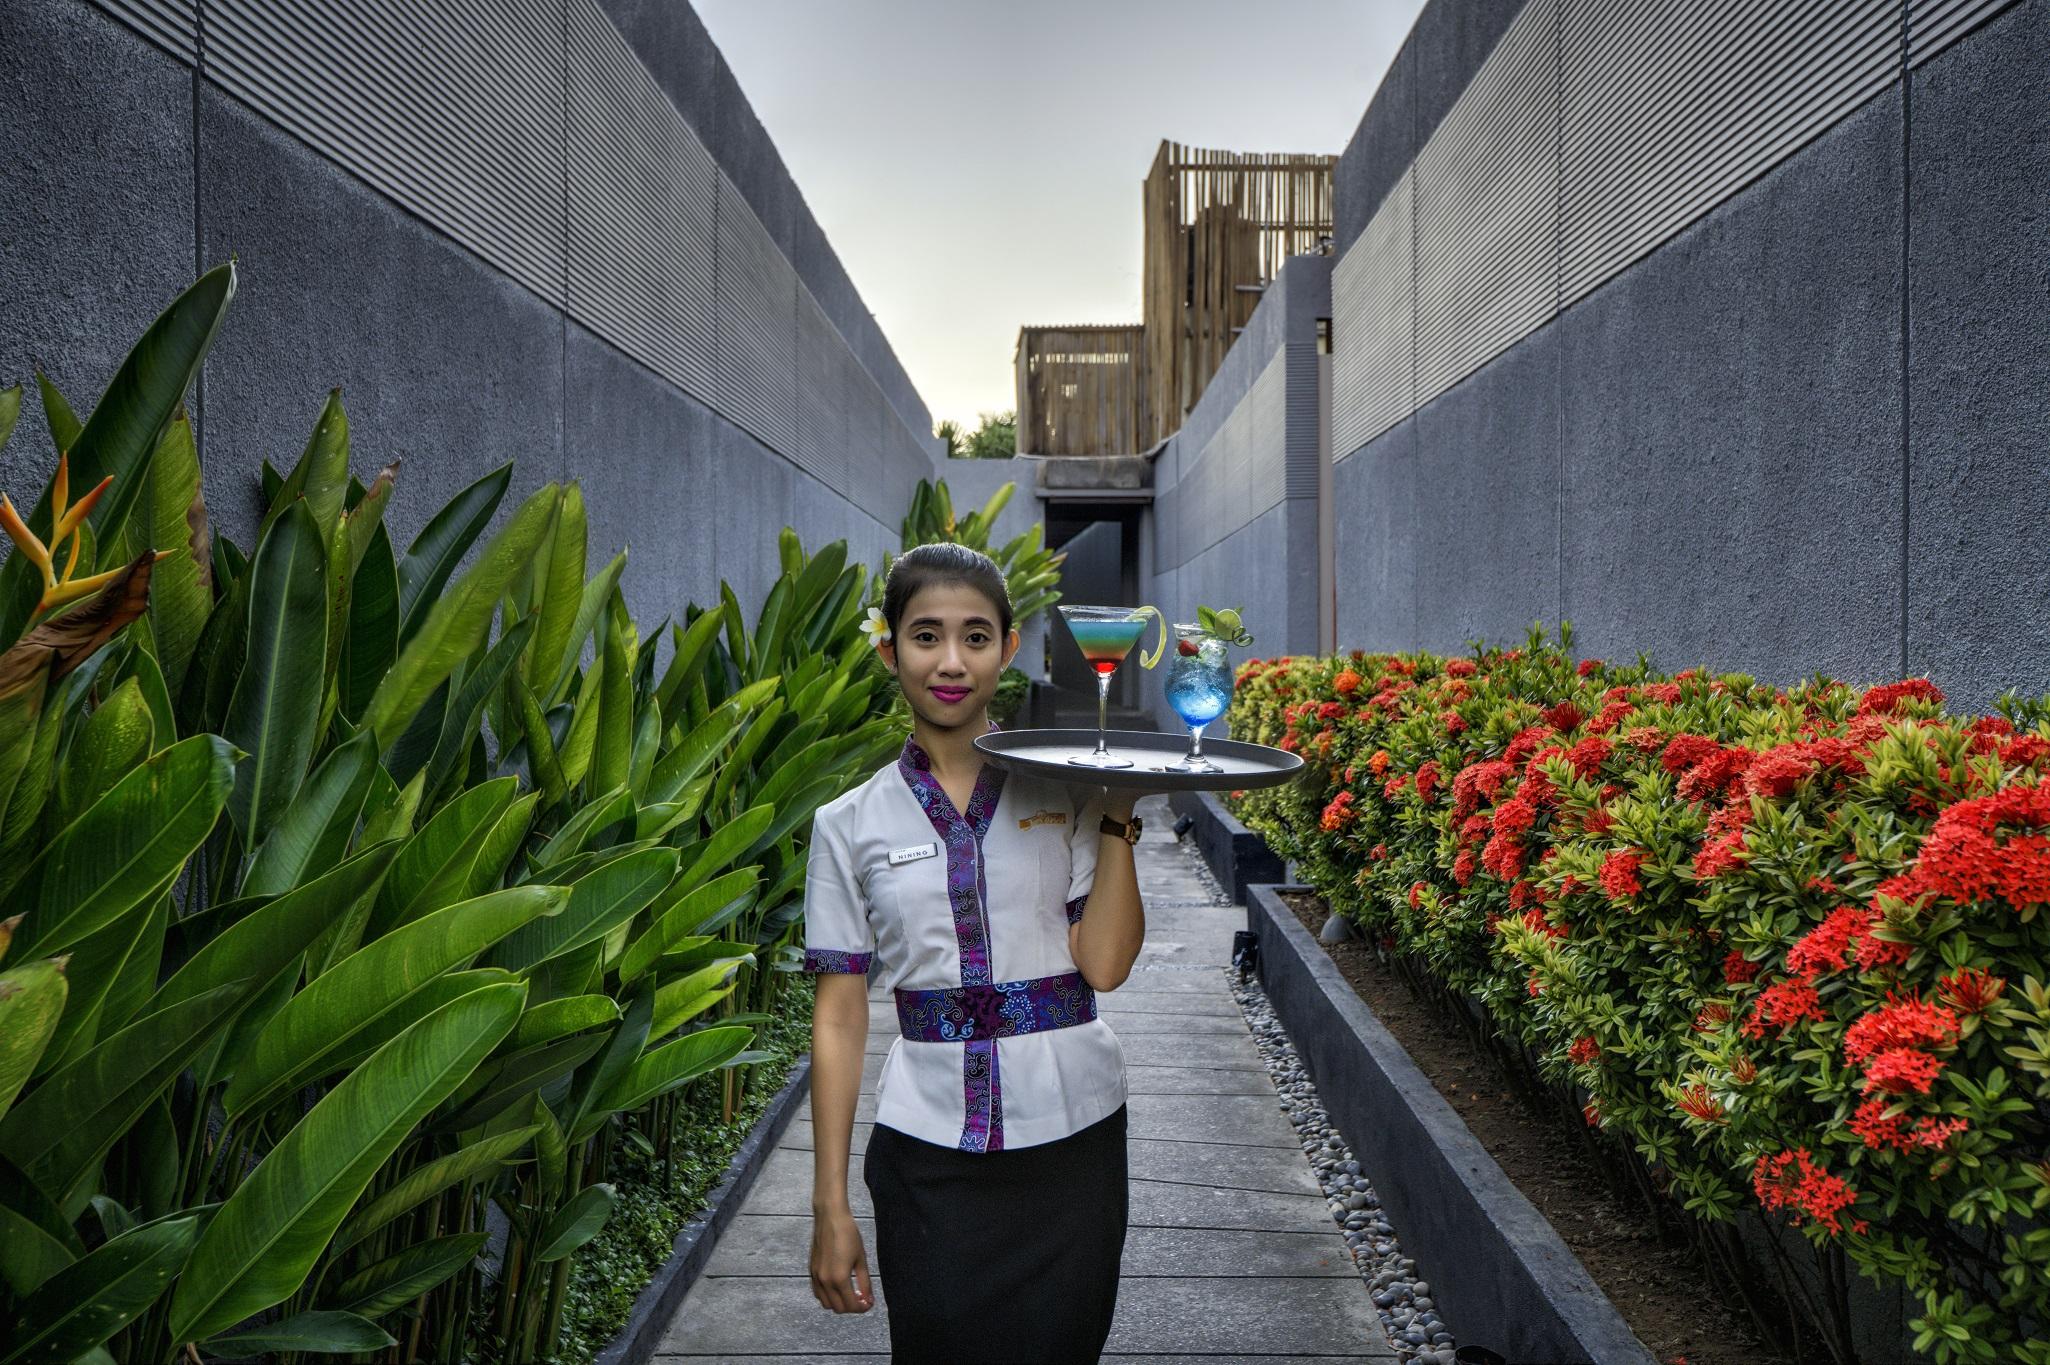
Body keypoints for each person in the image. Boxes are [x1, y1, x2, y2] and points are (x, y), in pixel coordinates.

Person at [803, 542, 1154, 1363]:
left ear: (1010, 645)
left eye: (975, 635)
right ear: (889, 649)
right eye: (926, 636)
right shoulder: (846, 824)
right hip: (928, 1156)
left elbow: (1103, 965)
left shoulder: (1067, 788)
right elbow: (840, 1016)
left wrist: (1119, 815)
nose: (951, 661)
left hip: (1075, 1143)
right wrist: (829, 1202)